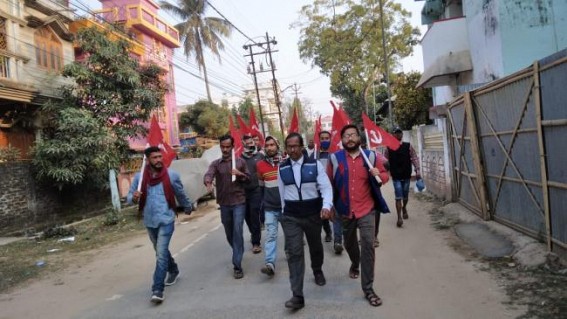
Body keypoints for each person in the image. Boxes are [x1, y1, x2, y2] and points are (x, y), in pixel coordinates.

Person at [328, 125, 389, 307]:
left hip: (367, 209)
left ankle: (368, 289)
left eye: (353, 134)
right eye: (346, 135)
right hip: (345, 211)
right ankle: (355, 262)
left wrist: (380, 175)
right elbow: (328, 183)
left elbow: (385, 174)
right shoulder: (334, 158)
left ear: (359, 138)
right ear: (342, 140)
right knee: (349, 244)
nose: (350, 138)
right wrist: (329, 206)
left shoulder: (371, 156)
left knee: (368, 246)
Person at [127, 146, 194, 304]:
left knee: (160, 254)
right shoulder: (140, 178)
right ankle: (174, 269)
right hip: (149, 221)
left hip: (166, 219)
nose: (158, 160)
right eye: (154, 158)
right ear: (147, 160)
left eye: (159, 157)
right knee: (160, 251)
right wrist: (134, 198)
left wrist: (187, 205)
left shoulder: (171, 175)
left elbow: (180, 193)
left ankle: (157, 289)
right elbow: (130, 197)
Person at [278, 132, 333, 309]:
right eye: (289, 146)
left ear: (302, 146)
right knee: (294, 253)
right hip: (291, 217)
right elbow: (281, 194)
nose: (292, 150)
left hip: (312, 215)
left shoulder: (314, 165)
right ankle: (297, 295)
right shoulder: (282, 168)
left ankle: (317, 269)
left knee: (315, 246)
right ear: (286, 148)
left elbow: (326, 187)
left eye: (296, 146)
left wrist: (326, 206)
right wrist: (283, 213)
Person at [204, 135, 250, 279]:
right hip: (224, 203)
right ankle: (238, 249)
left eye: (227, 146)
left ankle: (237, 264)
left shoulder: (241, 162)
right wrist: (208, 183)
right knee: (229, 233)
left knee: (237, 230)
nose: (225, 149)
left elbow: (249, 179)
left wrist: (240, 174)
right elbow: (208, 174)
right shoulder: (216, 164)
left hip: (239, 202)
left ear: (232, 147)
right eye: (222, 146)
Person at [256, 136, 283, 276]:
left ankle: (293, 258)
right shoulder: (260, 165)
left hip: (286, 208)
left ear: (277, 146)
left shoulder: (285, 162)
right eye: (267, 145)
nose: (270, 147)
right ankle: (270, 263)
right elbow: (261, 186)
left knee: (291, 236)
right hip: (270, 208)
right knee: (271, 236)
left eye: (272, 144)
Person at [309, 131, 339, 252]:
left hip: (335, 188)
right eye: (322, 138)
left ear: (330, 139)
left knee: (336, 214)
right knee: (324, 213)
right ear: (319, 140)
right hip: (321, 190)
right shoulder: (314, 156)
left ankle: (338, 241)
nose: (325, 140)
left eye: (327, 138)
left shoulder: (335, 154)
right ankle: (328, 232)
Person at [384, 127, 421, 228]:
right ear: (393, 135)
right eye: (396, 133)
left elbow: (414, 158)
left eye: (400, 133)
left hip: (406, 174)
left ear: (402, 135)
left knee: (405, 195)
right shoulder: (388, 148)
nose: (398, 135)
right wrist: (384, 172)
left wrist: (417, 170)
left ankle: (404, 208)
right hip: (395, 175)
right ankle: (399, 217)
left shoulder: (408, 146)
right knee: (398, 196)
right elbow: (384, 161)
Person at [241, 134, 264, 254]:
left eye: (251, 142)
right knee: (247, 216)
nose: (250, 144)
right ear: (243, 144)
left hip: (256, 190)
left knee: (254, 214)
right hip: (243, 192)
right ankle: (253, 232)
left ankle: (256, 242)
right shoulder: (239, 158)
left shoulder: (260, 156)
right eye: (247, 143)